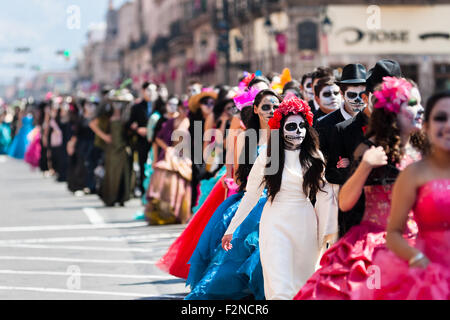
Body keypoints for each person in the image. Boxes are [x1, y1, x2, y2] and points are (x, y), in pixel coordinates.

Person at [294, 76, 425, 300]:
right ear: (393, 113)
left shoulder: (422, 149)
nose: (421, 110)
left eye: (420, 103)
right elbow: (345, 201)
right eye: (413, 104)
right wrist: (365, 165)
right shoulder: (370, 149)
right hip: (377, 247)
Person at [219, 96, 338, 300]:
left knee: (303, 284)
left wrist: (330, 233)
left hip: (305, 224)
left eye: (302, 126)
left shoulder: (315, 157)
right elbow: (251, 195)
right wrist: (231, 229)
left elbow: (325, 194)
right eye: (292, 126)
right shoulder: (267, 157)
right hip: (274, 223)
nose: (298, 131)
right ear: (281, 129)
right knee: (279, 284)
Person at [185, 90, 286, 300]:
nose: (271, 111)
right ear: (255, 109)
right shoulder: (247, 138)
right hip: (254, 199)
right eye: (266, 107)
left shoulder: (288, 134)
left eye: (276, 106)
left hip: (282, 199)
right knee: (239, 251)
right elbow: (241, 178)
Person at [352, 91, 450, 300]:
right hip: (420, 262)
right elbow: (346, 202)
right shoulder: (414, 172)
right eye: (440, 118)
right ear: (427, 126)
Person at [327, 59, 403, 238]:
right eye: (382, 97)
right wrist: (358, 169)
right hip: (357, 222)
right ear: (366, 97)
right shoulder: (343, 129)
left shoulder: (404, 130)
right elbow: (331, 173)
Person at [145, 96, 191, 225]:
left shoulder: (192, 121)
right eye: (182, 108)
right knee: (165, 184)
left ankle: (178, 214)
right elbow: (158, 138)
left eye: (187, 108)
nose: (184, 111)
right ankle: (164, 214)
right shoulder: (171, 122)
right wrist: (168, 149)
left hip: (185, 158)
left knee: (181, 187)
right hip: (170, 156)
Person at [90, 90, 132, 207]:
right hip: (111, 149)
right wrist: (104, 136)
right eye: (115, 102)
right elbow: (92, 124)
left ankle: (121, 197)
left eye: (120, 102)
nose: (117, 105)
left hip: (122, 148)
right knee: (111, 173)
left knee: (123, 173)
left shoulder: (126, 116)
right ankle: (110, 198)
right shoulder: (107, 116)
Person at [126, 82, 157, 197]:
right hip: (142, 141)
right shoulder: (137, 107)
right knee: (143, 164)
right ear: (143, 91)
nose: (150, 93)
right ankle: (143, 190)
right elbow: (129, 123)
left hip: (156, 142)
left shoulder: (158, 106)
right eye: (148, 90)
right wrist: (138, 129)